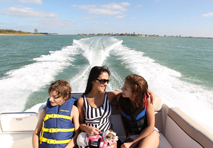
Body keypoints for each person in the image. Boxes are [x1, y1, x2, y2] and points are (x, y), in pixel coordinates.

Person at [77, 66, 158, 148]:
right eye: (102, 81)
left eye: (107, 81)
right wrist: (87, 128)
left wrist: (146, 90)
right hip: (92, 138)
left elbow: (134, 92)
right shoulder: (82, 101)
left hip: (109, 136)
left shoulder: (110, 96)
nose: (106, 84)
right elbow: (80, 124)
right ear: (93, 80)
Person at [32, 80, 80, 148]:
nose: (50, 99)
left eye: (55, 97)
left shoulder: (73, 110)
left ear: (65, 96)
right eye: (50, 96)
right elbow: (36, 133)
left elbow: (77, 134)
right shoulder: (44, 110)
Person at [118, 74, 159, 148]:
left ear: (135, 93)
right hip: (133, 136)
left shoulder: (147, 100)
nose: (122, 89)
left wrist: (132, 143)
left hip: (149, 134)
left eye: (125, 88)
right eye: (123, 86)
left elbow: (150, 126)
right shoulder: (120, 98)